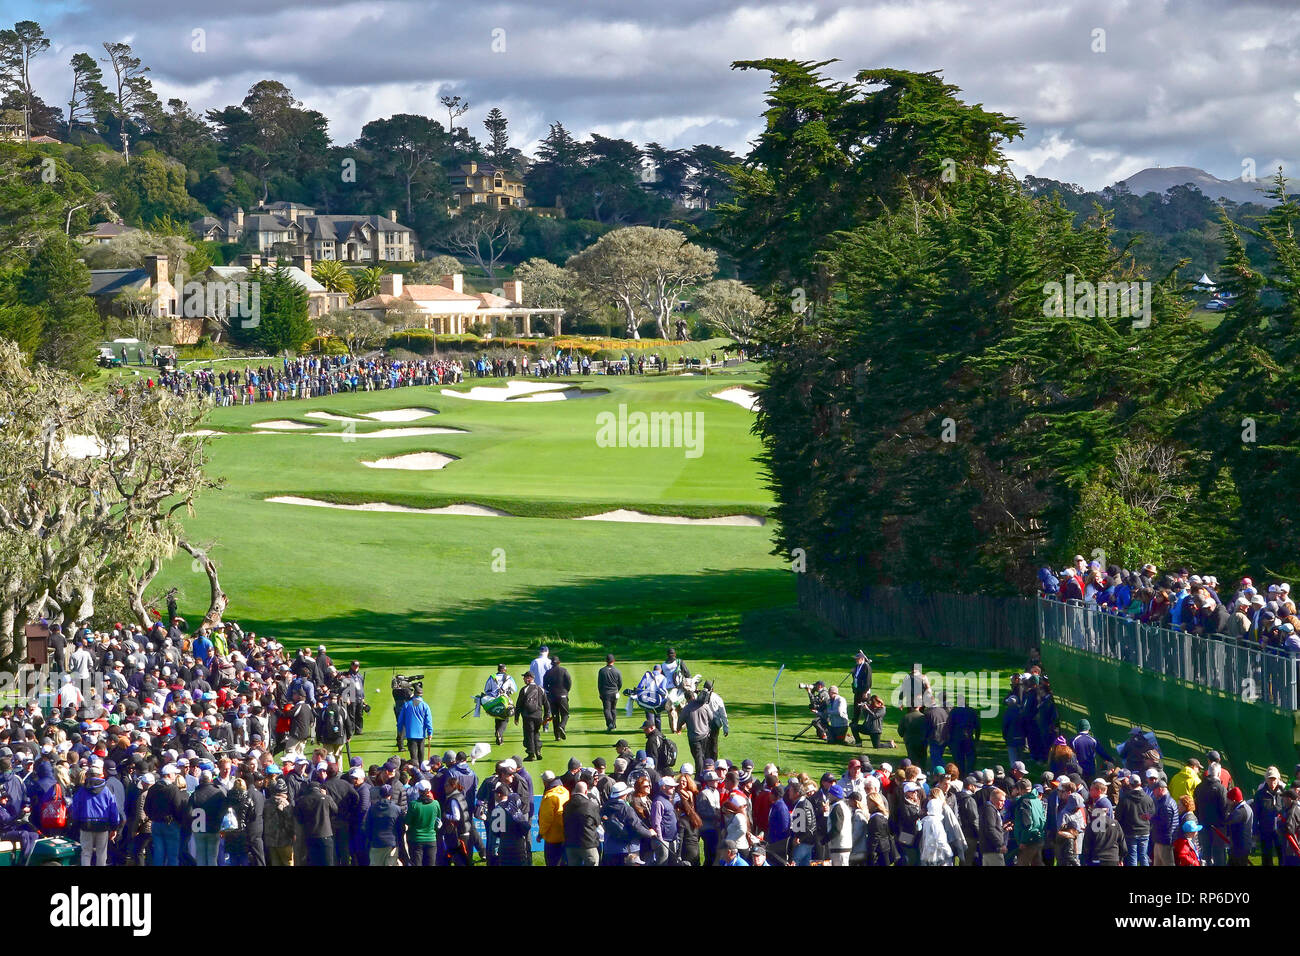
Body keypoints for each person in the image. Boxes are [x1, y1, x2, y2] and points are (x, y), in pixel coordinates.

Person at [68, 768, 122, 866]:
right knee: (101, 853)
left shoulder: (81, 791)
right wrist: (114, 827)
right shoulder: (106, 791)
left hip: (85, 825)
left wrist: (75, 822)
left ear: (87, 775)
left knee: (86, 853)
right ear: (100, 775)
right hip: (103, 825)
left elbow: (75, 809)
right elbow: (113, 809)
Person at [562, 780, 601, 866]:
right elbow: (597, 822)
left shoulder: (566, 805)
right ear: (586, 792)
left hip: (570, 843)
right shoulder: (591, 805)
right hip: (588, 843)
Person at [364, 783, 403, 866]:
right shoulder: (397, 809)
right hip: (391, 843)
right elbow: (401, 828)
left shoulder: (372, 808)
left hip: (376, 843)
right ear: (391, 795)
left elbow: (367, 827)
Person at [515, 670, 550, 761]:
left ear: (529, 678)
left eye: (525, 677)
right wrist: (546, 717)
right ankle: (538, 751)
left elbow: (519, 704)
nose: (523, 679)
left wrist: (516, 717)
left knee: (528, 734)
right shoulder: (541, 689)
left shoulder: (524, 689)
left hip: (527, 716)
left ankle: (531, 754)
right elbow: (546, 705)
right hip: (538, 716)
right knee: (536, 733)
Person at [1255, 766, 1286, 866]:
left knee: (1282, 855)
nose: (1272, 782)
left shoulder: (1284, 793)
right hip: (1265, 830)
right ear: (1266, 780)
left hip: (1281, 830)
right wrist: (1256, 829)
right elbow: (1256, 813)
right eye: (1270, 779)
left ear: (1278, 779)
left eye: (1274, 779)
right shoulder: (1259, 794)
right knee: (1267, 857)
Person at [405, 778, 440, 866]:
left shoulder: (414, 804)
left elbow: (408, 821)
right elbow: (438, 821)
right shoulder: (435, 804)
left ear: (419, 791)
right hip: (431, 839)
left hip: (416, 840)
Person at [396, 686, 434, 766]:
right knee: (421, 756)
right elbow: (428, 721)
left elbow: (400, 720)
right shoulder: (425, 705)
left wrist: (400, 731)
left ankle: (415, 772)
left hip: (410, 734)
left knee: (413, 757)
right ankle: (421, 771)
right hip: (421, 734)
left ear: (414, 694)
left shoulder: (407, 705)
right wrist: (430, 732)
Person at [539, 770, 569, 866]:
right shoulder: (565, 791)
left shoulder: (549, 797)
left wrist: (541, 833)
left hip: (553, 838)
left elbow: (546, 818)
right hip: (564, 835)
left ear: (545, 782)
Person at [482, 665, 517, 746]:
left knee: (497, 716)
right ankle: (499, 733)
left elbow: (486, 690)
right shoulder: (509, 677)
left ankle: (499, 739)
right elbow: (514, 689)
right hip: (505, 700)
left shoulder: (492, 677)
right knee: (505, 718)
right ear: (505, 670)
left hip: (494, 701)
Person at [542, 654, 572, 740]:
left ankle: (557, 736)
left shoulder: (548, 673)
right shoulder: (564, 670)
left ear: (552, 663)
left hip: (552, 696)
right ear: (559, 663)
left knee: (555, 716)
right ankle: (562, 726)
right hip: (563, 695)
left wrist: (550, 691)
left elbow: (545, 685)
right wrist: (566, 691)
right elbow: (569, 682)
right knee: (565, 714)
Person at [978, 787, 1009, 866]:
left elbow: (993, 827)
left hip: (989, 849)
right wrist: (1000, 844)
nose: (1003, 803)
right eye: (1001, 801)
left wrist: (1003, 828)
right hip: (992, 850)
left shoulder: (991, 809)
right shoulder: (989, 809)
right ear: (994, 799)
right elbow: (990, 829)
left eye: (1004, 801)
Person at [849, 650, 873, 742]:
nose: (856, 660)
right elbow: (855, 677)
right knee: (856, 709)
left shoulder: (866, 667)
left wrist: (865, 691)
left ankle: (868, 725)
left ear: (862, 659)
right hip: (857, 691)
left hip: (864, 692)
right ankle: (854, 724)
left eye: (857, 659)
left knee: (865, 709)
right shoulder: (857, 666)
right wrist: (853, 673)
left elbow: (868, 681)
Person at [597, 654, 622, 732]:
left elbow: (599, 684)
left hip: (605, 693)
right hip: (614, 692)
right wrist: (617, 690)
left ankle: (610, 723)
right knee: (613, 709)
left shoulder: (602, 671)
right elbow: (620, 683)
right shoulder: (617, 671)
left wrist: (600, 693)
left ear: (606, 661)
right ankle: (613, 725)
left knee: (607, 710)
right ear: (614, 661)